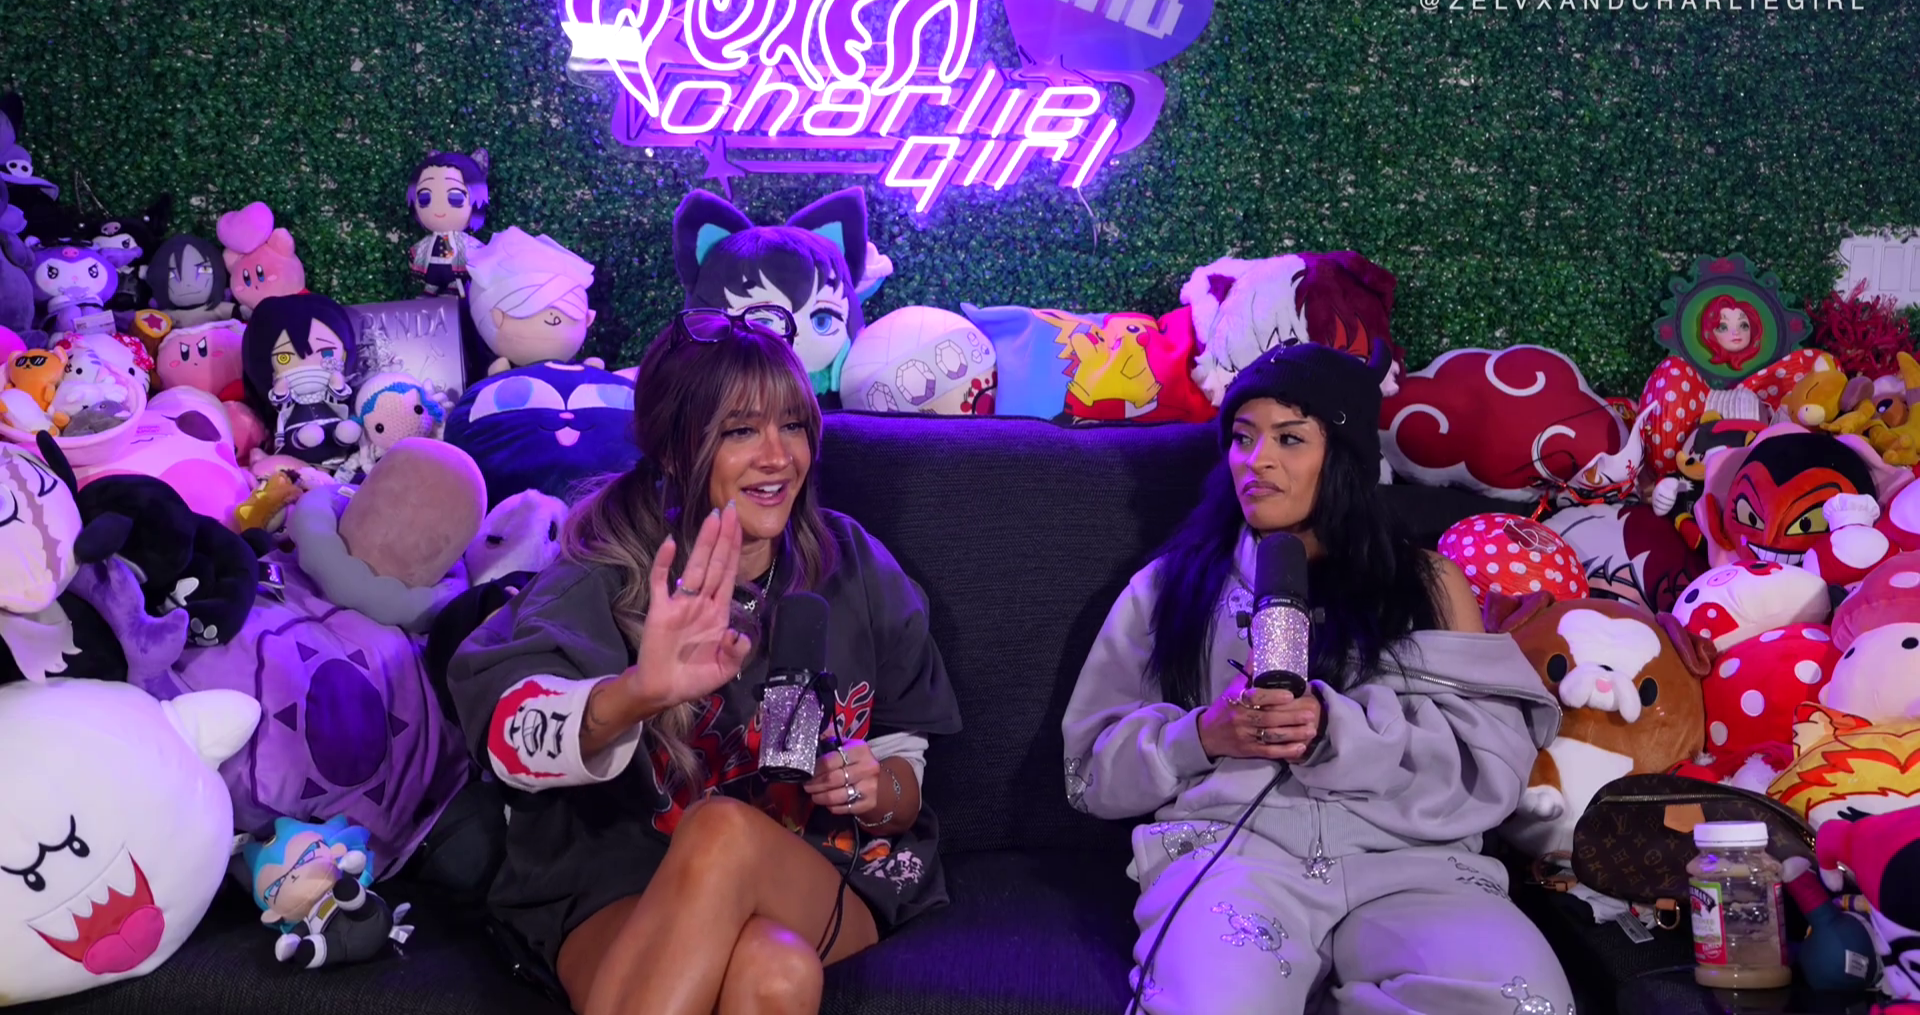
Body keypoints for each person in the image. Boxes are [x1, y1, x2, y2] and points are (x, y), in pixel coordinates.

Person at [447, 306, 962, 1015]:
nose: (778, 457)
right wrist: (636, 692)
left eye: (793, 426)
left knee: (719, 831)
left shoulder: (854, 567)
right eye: (740, 431)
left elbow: (906, 772)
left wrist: (877, 792)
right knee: (774, 975)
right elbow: (508, 738)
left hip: (812, 868)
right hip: (618, 884)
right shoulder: (601, 572)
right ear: (673, 449)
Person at [1062, 340, 1572, 1015]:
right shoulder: (1166, 589)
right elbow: (1088, 775)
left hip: (1413, 867)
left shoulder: (1426, 584)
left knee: (1524, 1003)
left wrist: (1337, 732)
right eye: (1242, 437)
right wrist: (1204, 736)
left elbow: (1485, 770)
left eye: (1289, 438)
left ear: (1346, 459)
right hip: (1235, 861)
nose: (1256, 460)